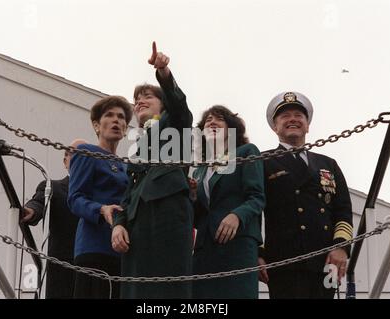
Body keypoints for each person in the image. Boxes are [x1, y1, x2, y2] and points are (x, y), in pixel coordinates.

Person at [111, 42, 194, 299]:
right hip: (137, 224)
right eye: (136, 100)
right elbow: (128, 193)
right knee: (136, 291)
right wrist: (118, 225)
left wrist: (164, 73)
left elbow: (179, 106)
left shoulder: (175, 124)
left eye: (147, 97)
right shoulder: (137, 146)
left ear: (163, 104)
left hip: (168, 215)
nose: (139, 102)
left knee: (169, 290)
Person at [259, 91, 353, 299]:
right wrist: (257, 253)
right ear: (275, 127)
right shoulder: (262, 162)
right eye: (285, 116)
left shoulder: (328, 164)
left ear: (307, 125)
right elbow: (255, 208)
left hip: (326, 260)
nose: (293, 119)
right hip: (284, 263)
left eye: (298, 115)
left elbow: (343, 211)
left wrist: (341, 248)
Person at [190, 105, 265, 299]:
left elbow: (257, 197)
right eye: (208, 120)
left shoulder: (246, 151)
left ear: (231, 128)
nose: (212, 122)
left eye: (219, 119)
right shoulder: (200, 170)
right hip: (205, 250)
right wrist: (192, 197)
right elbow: (198, 217)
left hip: (237, 245)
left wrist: (236, 215)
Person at [68, 95, 132, 299]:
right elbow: (75, 198)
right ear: (97, 125)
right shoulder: (87, 152)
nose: (117, 120)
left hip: (123, 251)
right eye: (110, 115)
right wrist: (100, 209)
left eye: (121, 117)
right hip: (95, 247)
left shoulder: (127, 166)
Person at [22, 138, 86, 299]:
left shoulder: (100, 195)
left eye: (85, 156)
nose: (80, 160)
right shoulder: (52, 188)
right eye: (74, 155)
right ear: (65, 161)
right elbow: (37, 203)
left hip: (93, 272)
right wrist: (30, 211)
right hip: (60, 275)